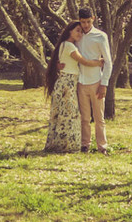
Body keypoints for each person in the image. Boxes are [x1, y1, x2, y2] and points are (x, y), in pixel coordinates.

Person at [44, 22, 104, 153]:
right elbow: (84, 61)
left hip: (69, 82)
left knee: (65, 114)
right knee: (69, 114)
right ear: (69, 31)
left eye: (81, 31)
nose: (80, 33)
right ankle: (66, 146)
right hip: (67, 83)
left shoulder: (66, 45)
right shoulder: (69, 46)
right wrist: (99, 63)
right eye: (77, 30)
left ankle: (62, 144)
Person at [76, 8, 113, 154]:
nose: (85, 25)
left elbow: (108, 62)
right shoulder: (77, 35)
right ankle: (85, 144)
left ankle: (102, 146)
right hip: (81, 82)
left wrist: (104, 84)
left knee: (99, 117)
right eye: (83, 22)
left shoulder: (100, 36)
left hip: (96, 81)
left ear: (93, 18)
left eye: (88, 21)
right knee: (84, 117)